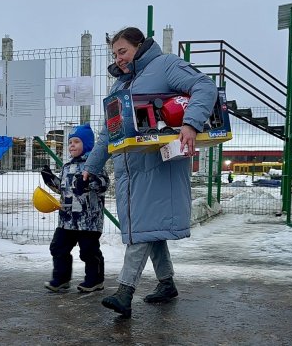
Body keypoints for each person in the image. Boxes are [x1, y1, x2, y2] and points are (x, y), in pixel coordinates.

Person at [83, 27, 218, 318]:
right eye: (115, 54)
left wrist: (191, 124)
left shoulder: (165, 65)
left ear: (139, 46)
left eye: (123, 51)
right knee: (148, 228)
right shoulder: (119, 87)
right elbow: (109, 132)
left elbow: (205, 87)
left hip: (160, 166)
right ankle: (166, 284)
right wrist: (90, 167)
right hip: (130, 170)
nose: (119, 58)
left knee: (141, 230)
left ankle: (124, 292)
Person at [41, 123, 109, 293]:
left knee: (88, 251)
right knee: (58, 247)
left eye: (76, 141)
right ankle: (61, 279)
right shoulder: (66, 167)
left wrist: (88, 182)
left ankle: (95, 280)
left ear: (86, 145)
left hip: (89, 221)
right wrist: (50, 180)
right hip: (67, 220)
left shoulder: (94, 165)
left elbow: (103, 184)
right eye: (70, 142)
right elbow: (63, 189)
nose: (72, 145)